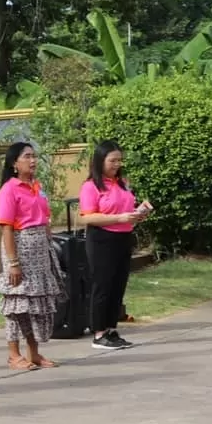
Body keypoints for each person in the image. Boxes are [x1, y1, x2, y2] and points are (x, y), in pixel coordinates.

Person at [0, 141, 65, 372]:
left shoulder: (36, 186)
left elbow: (45, 218)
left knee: (36, 303)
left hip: (40, 251)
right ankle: (13, 355)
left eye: (34, 156)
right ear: (14, 163)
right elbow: (6, 228)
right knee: (17, 303)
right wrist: (13, 263)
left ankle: (33, 353)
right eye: (27, 157)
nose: (32, 161)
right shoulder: (9, 190)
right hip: (20, 249)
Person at [79, 140, 151, 352]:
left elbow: (126, 209)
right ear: (100, 161)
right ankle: (98, 332)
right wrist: (119, 218)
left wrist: (138, 214)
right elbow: (88, 217)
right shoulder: (91, 186)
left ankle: (111, 328)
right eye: (112, 161)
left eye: (119, 160)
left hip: (123, 237)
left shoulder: (122, 183)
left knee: (118, 286)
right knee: (102, 286)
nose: (116, 164)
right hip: (102, 239)